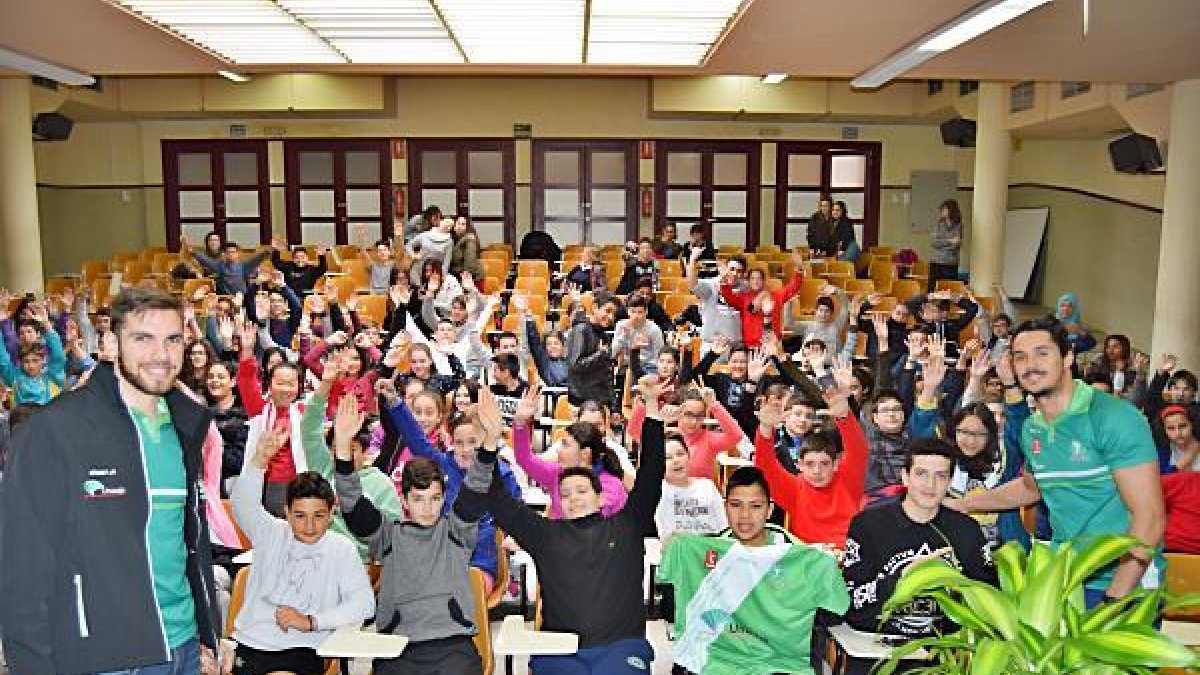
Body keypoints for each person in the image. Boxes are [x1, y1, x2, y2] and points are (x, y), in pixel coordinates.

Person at [2, 288, 223, 675]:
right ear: (108, 344)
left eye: (173, 340)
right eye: (143, 339)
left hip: (185, 650)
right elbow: (22, 570)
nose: (161, 355)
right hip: (105, 658)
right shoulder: (55, 429)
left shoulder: (186, 427)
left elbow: (187, 542)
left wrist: (207, 635)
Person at [459, 375, 669, 675]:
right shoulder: (546, 534)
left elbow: (652, 472)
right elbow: (497, 499)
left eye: (582, 491)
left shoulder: (627, 525)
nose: (573, 498)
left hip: (620, 647)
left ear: (601, 497)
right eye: (565, 494)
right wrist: (489, 440)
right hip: (560, 649)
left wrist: (651, 407)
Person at [947, 317, 1165, 607]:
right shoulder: (1033, 428)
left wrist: (1114, 599)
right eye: (1020, 356)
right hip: (1068, 578)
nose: (1030, 364)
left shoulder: (1114, 417)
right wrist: (962, 504)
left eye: (1042, 353)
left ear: (1067, 357)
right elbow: (1032, 488)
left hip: (1124, 584)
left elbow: (1150, 517)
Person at [336, 400, 495, 674]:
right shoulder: (388, 536)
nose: (427, 507)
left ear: (444, 498)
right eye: (418, 499)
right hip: (399, 647)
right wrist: (341, 446)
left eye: (435, 499)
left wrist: (491, 442)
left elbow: (476, 487)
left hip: (453, 646)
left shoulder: (456, 531)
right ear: (404, 500)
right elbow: (352, 505)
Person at [659, 465, 849, 675]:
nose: (745, 515)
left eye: (756, 506)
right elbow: (670, 610)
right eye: (736, 505)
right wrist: (674, 548)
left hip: (780, 665)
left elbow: (837, 611)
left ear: (769, 510)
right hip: (714, 661)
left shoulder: (799, 556)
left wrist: (831, 565)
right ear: (725, 507)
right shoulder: (705, 551)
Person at [230, 427, 375, 675]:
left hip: (303, 649)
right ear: (286, 512)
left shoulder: (341, 549)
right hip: (250, 644)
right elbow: (243, 505)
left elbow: (364, 604)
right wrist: (258, 461)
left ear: (332, 514)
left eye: (318, 516)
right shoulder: (270, 532)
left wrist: (312, 622)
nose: (309, 526)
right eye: (299, 516)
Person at [843, 438, 996, 644]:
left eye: (940, 476)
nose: (930, 485)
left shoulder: (967, 530)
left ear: (950, 482)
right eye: (921, 473)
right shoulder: (867, 525)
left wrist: (956, 584)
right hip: (876, 643)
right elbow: (850, 602)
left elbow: (989, 601)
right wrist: (902, 577)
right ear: (905, 477)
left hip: (944, 650)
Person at [753, 364, 868, 547]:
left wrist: (844, 416)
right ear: (799, 465)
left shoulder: (848, 480)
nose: (817, 470)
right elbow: (765, 467)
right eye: (810, 464)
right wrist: (766, 428)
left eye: (824, 464)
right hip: (808, 561)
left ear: (835, 464)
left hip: (847, 555)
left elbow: (858, 450)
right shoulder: (794, 488)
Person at [719, 248, 805, 349]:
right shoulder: (743, 298)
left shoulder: (776, 296)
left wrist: (799, 268)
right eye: (753, 279)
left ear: (764, 281)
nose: (756, 281)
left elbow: (793, 288)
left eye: (759, 278)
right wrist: (724, 281)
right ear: (748, 281)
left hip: (771, 345)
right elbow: (728, 297)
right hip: (749, 345)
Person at [655, 431, 728, 541]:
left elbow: (724, 525)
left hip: (710, 551)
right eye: (668, 457)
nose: (676, 460)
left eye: (680, 454)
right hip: (677, 552)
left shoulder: (707, 485)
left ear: (688, 456)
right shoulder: (656, 492)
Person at [565, 290, 620, 407]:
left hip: (600, 401)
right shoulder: (581, 330)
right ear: (595, 307)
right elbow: (574, 366)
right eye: (608, 311)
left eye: (614, 314)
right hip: (581, 401)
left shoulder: (603, 335)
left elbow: (606, 373)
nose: (611, 317)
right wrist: (600, 355)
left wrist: (613, 405)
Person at [686, 250, 744, 352]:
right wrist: (692, 260)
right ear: (725, 268)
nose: (735, 274)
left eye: (739, 271)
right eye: (732, 269)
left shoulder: (746, 288)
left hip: (737, 347)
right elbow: (692, 285)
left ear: (743, 274)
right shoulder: (712, 283)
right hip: (712, 345)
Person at [184, 238, 272, 297]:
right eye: (228, 252)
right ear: (225, 254)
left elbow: (257, 258)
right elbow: (205, 260)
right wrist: (192, 251)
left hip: (243, 298)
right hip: (226, 299)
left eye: (233, 252)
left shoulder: (244, 266)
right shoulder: (220, 266)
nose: (231, 254)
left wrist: (270, 249)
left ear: (238, 254)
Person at [406, 217, 456, 286]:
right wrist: (413, 254)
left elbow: (446, 262)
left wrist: (442, 276)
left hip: (434, 273)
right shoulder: (425, 235)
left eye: (451, 225)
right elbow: (409, 245)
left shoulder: (449, 242)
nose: (448, 225)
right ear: (441, 222)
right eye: (447, 222)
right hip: (418, 269)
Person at [927, 198, 963, 292]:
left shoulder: (958, 225)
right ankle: (929, 306)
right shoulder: (938, 224)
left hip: (950, 263)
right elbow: (933, 242)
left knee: (948, 291)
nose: (942, 211)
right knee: (931, 290)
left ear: (951, 210)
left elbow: (956, 244)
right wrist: (949, 241)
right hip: (936, 261)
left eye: (944, 209)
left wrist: (943, 243)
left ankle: (945, 307)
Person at [1158, 405, 1200, 473]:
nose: (1178, 433)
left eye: (1182, 426)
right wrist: (1188, 457)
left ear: (1192, 424)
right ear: (1164, 430)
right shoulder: (1163, 452)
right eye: (1171, 428)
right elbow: (1160, 477)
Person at [449, 216, 485, 282]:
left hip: (472, 278)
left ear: (467, 227)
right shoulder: (452, 239)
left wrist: (465, 278)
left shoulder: (469, 239)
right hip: (459, 277)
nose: (460, 226)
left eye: (463, 224)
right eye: (458, 223)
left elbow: (470, 261)